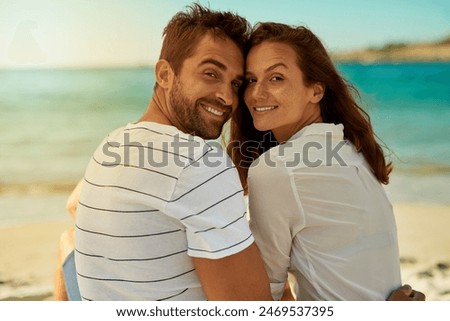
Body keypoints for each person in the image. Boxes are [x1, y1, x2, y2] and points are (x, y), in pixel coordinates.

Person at [72, 4, 272, 301]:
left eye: (236, 83)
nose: (227, 96)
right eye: (210, 73)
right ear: (165, 74)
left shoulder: (111, 144)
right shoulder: (198, 163)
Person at [228, 22, 419, 300]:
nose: (256, 94)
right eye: (251, 80)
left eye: (276, 78)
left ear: (316, 91)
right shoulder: (351, 150)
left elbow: (261, 295)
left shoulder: (279, 169)